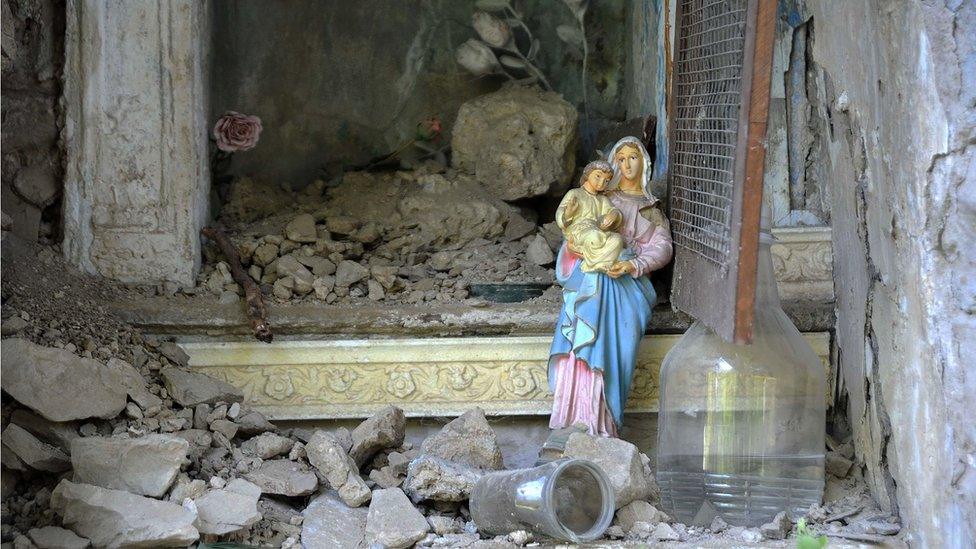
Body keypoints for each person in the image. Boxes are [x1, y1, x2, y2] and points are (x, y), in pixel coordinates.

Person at [548, 136, 673, 437]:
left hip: (627, 283)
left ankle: (602, 420)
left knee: (616, 347)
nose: (626, 164)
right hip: (592, 275)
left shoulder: (650, 209)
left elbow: (663, 247)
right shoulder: (602, 199)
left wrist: (633, 265)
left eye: (633, 158)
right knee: (582, 336)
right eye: (621, 158)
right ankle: (573, 416)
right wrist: (580, 249)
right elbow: (574, 232)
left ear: (644, 163)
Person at [555, 160, 624, 273]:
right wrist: (568, 214)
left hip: (596, 229)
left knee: (617, 239)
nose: (601, 183)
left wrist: (614, 214)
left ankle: (603, 263)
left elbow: (613, 210)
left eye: (606, 181)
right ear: (587, 174)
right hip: (579, 230)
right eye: (598, 176)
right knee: (594, 236)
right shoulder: (575, 193)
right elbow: (560, 212)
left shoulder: (603, 199)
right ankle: (593, 264)